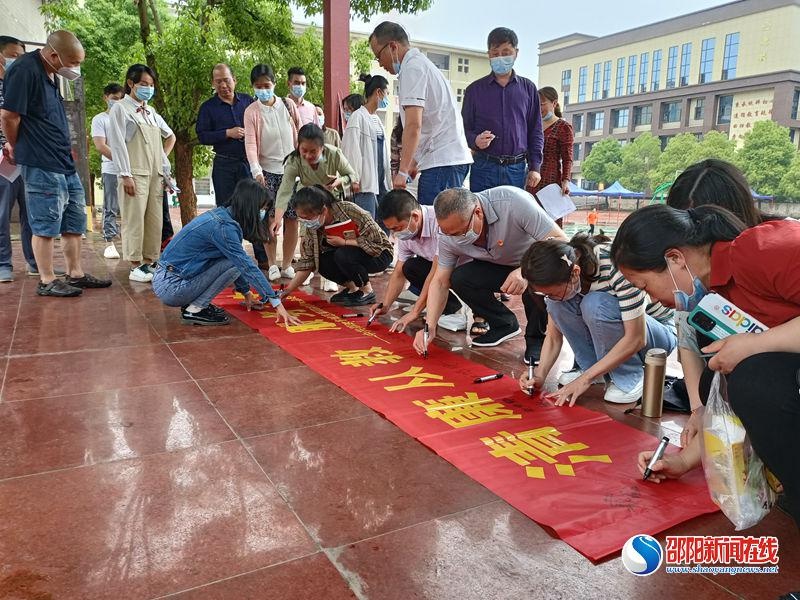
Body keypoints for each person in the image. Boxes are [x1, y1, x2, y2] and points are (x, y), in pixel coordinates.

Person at [610, 204, 800, 525]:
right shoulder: (715, 298)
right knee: (715, 377)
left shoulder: (758, 251)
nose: (652, 300)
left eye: (645, 287)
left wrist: (753, 344)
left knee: (753, 377)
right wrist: (684, 461)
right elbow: (721, 393)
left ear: (674, 259)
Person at [665, 158, 784, 446]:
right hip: (745, 378)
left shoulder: (771, 249)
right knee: (710, 382)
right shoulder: (693, 269)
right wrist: (698, 410)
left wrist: (756, 344)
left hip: (780, 376)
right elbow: (687, 335)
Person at [1, 30, 111, 296]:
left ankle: (75, 273)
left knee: (73, 220)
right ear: (53, 54)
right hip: (40, 160)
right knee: (45, 222)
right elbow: (9, 116)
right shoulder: (25, 70)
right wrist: (16, 145)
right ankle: (47, 279)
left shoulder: (50, 73)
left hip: (62, 161)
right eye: (72, 62)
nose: (75, 68)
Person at [518, 235, 677, 405]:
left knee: (595, 304)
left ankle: (630, 377)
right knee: (558, 305)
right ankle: (595, 369)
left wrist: (585, 379)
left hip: (656, 337)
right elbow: (553, 336)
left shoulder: (616, 267)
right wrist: (540, 374)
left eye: (553, 293)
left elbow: (637, 338)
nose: (550, 298)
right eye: (545, 294)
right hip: (626, 332)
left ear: (575, 273)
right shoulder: (562, 273)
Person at [413, 186, 565, 358]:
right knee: (460, 278)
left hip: (531, 260)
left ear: (477, 213)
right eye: (448, 233)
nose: (455, 238)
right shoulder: (448, 234)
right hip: (496, 264)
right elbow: (440, 281)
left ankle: (536, 340)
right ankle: (503, 323)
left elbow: (561, 241)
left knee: (538, 282)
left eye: (459, 232)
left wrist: (525, 270)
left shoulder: (513, 203)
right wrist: (430, 326)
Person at [153, 178, 299, 327]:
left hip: (169, 279)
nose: (262, 214)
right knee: (237, 262)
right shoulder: (223, 227)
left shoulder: (222, 217)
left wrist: (246, 293)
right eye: (261, 209)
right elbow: (244, 265)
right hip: (171, 286)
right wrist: (276, 302)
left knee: (233, 260)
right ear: (249, 207)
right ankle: (195, 309)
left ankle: (195, 305)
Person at [369, 22, 472, 205]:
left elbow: (413, 124)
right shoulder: (420, 65)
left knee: (436, 226)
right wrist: (413, 163)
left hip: (442, 162)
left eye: (379, 56)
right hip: (446, 160)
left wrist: (402, 172)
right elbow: (429, 123)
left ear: (393, 46)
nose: (381, 63)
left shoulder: (412, 68)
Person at [107, 63, 176, 283]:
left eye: (151, 84)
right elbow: (117, 143)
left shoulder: (152, 112)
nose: (148, 88)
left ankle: (149, 262)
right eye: (143, 84)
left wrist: (163, 163)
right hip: (134, 173)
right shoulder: (120, 108)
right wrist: (125, 174)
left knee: (154, 220)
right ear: (130, 83)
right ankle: (135, 265)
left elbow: (170, 136)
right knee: (134, 219)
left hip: (154, 174)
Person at [273, 124, 358, 291]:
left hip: (330, 200)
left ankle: (331, 275)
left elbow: (352, 175)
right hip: (306, 201)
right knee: (306, 238)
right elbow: (284, 191)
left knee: (330, 238)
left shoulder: (334, 154)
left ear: (322, 148)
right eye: (304, 150)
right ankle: (306, 270)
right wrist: (277, 219)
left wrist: (340, 181)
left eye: (313, 151)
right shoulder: (294, 160)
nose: (308, 155)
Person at [281, 185, 393, 306]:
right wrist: (287, 291)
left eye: (307, 218)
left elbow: (377, 244)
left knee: (343, 254)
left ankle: (367, 291)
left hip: (379, 254)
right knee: (322, 261)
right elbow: (307, 264)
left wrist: (345, 242)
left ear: (323, 210)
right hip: (350, 254)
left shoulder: (349, 210)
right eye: (301, 219)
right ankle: (353, 289)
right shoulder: (313, 227)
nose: (305, 222)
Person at [462, 27, 542, 194]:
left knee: (513, 218)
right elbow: (462, 131)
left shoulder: (528, 89)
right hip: (484, 167)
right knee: (482, 217)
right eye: (495, 53)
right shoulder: (474, 91)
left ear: (516, 52)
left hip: (516, 169)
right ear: (489, 55)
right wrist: (475, 140)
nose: (500, 57)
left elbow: (536, 130)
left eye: (506, 52)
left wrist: (535, 166)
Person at [372, 189, 465, 331]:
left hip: (464, 267)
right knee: (409, 267)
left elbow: (436, 273)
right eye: (391, 230)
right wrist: (385, 305)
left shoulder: (440, 222)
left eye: (397, 228)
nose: (395, 234)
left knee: (454, 277)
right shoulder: (406, 232)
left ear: (415, 216)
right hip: (440, 268)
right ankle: (449, 306)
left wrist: (414, 312)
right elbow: (398, 273)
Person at [243, 63, 297, 282]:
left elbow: (298, 134)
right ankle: (272, 263)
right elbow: (251, 143)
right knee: (270, 219)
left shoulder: (288, 104)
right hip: (267, 172)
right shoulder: (251, 111)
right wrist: (256, 170)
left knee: (293, 218)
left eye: (267, 85)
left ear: (274, 84)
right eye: (258, 86)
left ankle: (287, 263)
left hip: (291, 171)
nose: (263, 89)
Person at [0, 35, 36, 282]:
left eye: (22, 56)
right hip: (2, 159)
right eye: (14, 55)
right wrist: (6, 145)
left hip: (27, 156)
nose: (19, 61)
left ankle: (34, 262)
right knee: (2, 214)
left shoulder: (23, 84)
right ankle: (3, 264)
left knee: (32, 213)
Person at [196, 64, 253, 207]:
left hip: (248, 163)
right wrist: (227, 133)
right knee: (226, 208)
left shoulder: (248, 101)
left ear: (234, 80)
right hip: (223, 165)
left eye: (226, 80)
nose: (223, 85)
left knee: (251, 206)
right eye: (218, 81)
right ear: (213, 83)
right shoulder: (207, 107)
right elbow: (202, 136)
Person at [341, 74, 391, 220]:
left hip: (380, 183)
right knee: (366, 226)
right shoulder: (358, 117)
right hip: (364, 185)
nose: (386, 98)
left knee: (382, 225)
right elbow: (351, 150)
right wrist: (354, 178)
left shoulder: (376, 119)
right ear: (378, 92)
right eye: (386, 93)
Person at [91, 82, 125, 259]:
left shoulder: (127, 118)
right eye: (114, 99)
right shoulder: (100, 119)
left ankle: (129, 242)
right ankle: (110, 242)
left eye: (120, 99)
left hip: (130, 170)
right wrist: (122, 161)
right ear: (106, 98)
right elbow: (100, 145)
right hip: (111, 169)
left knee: (130, 208)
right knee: (111, 206)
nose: (117, 102)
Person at [532, 87, 573, 227]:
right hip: (530, 179)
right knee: (529, 219)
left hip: (550, 181)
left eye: (542, 104)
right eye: (536, 104)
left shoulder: (563, 127)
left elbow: (567, 158)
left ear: (554, 103)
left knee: (550, 222)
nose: (539, 108)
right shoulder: (532, 125)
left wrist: (565, 181)